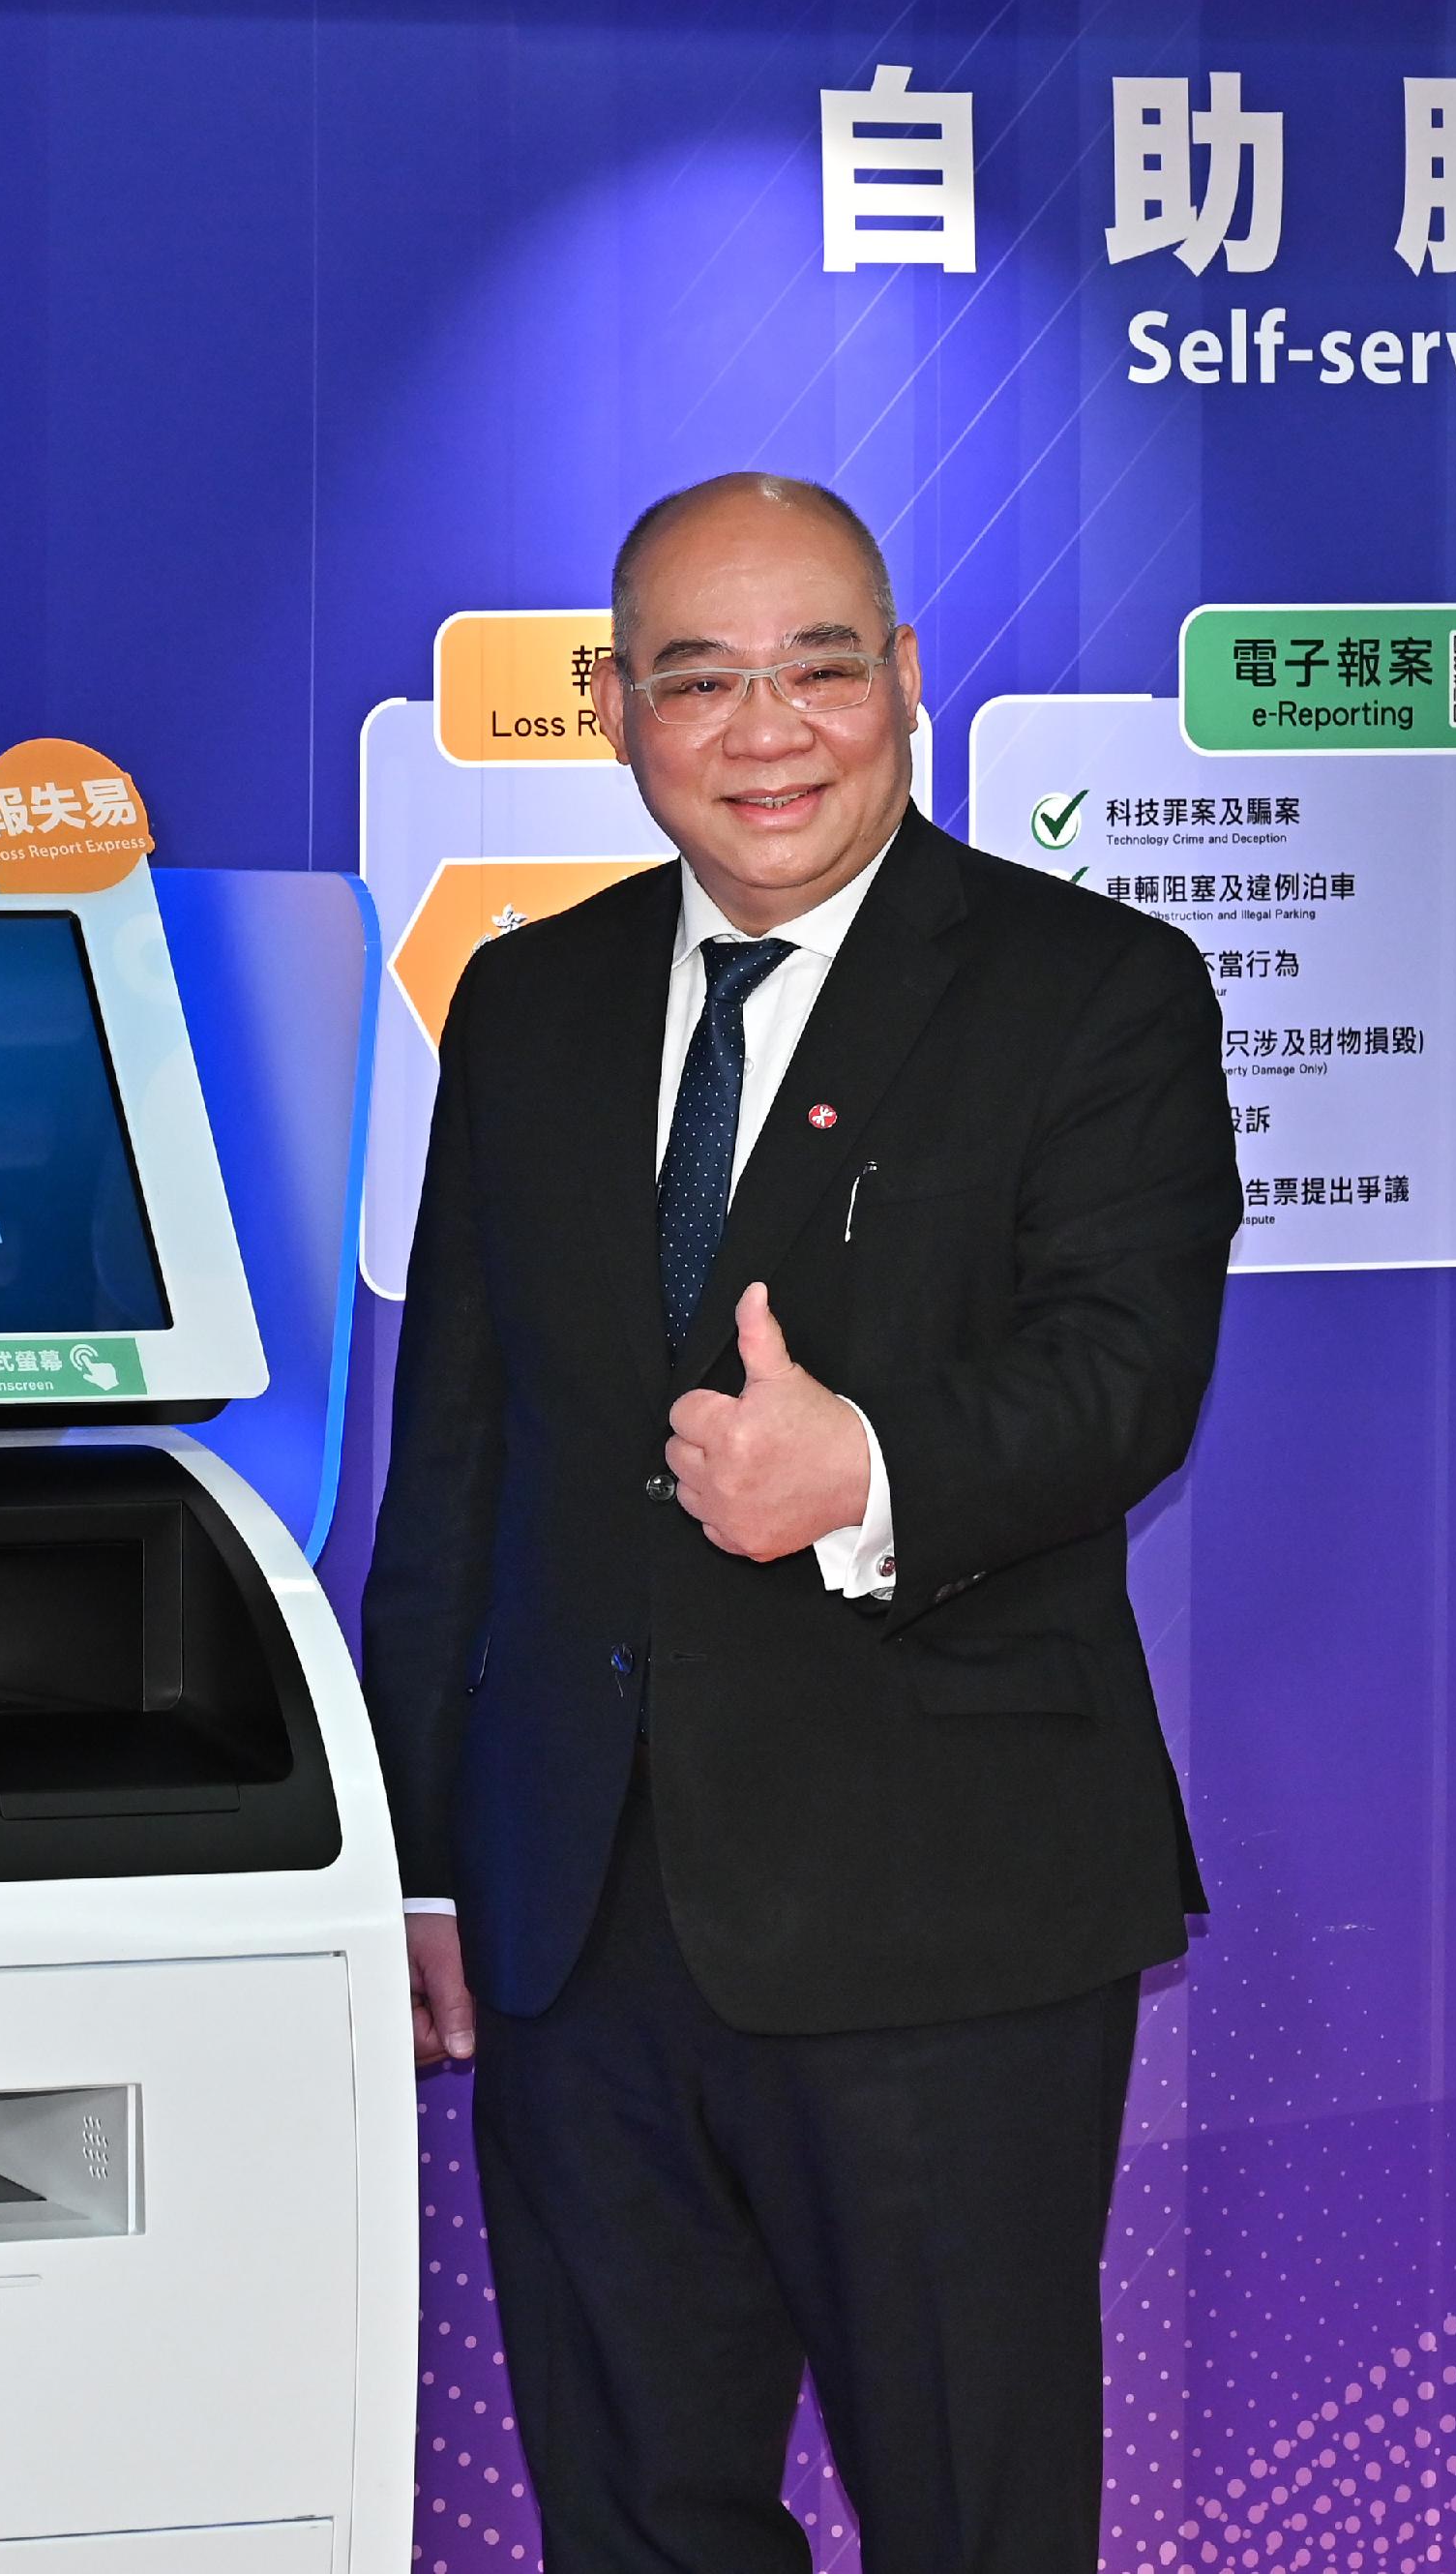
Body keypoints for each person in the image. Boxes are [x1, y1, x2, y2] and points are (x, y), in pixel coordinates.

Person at [362, 471, 1238, 2572]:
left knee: (969, 2508)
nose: (764, 726)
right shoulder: (529, 1000)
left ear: (904, 685)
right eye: (697, 675)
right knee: (634, 2510)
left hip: (940, 1912)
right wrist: (413, 1859)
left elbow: (1125, 1373)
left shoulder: (1087, 988)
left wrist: (859, 1471)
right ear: (614, 712)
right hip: (579, 1919)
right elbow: (455, 1450)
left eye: (816, 665)